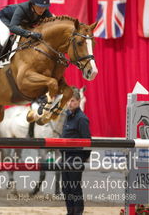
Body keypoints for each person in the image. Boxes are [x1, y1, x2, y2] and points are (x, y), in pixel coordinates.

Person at [0, 0, 53, 85]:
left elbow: (52, 24)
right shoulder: (22, 9)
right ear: (32, 4)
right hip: (5, 19)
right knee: (5, 38)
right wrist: (29, 34)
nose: (42, 10)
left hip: (21, 23)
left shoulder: (44, 11)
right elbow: (13, 27)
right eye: (39, 7)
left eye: (44, 7)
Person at [61, 87, 91, 215]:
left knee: (74, 188)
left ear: (78, 101)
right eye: (68, 101)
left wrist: (82, 159)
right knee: (66, 188)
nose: (69, 103)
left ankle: (78, 213)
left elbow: (87, 141)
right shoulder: (67, 116)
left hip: (75, 158)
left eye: (72, 101)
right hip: (65, 157)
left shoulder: (81, 119)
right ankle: (70, 212)